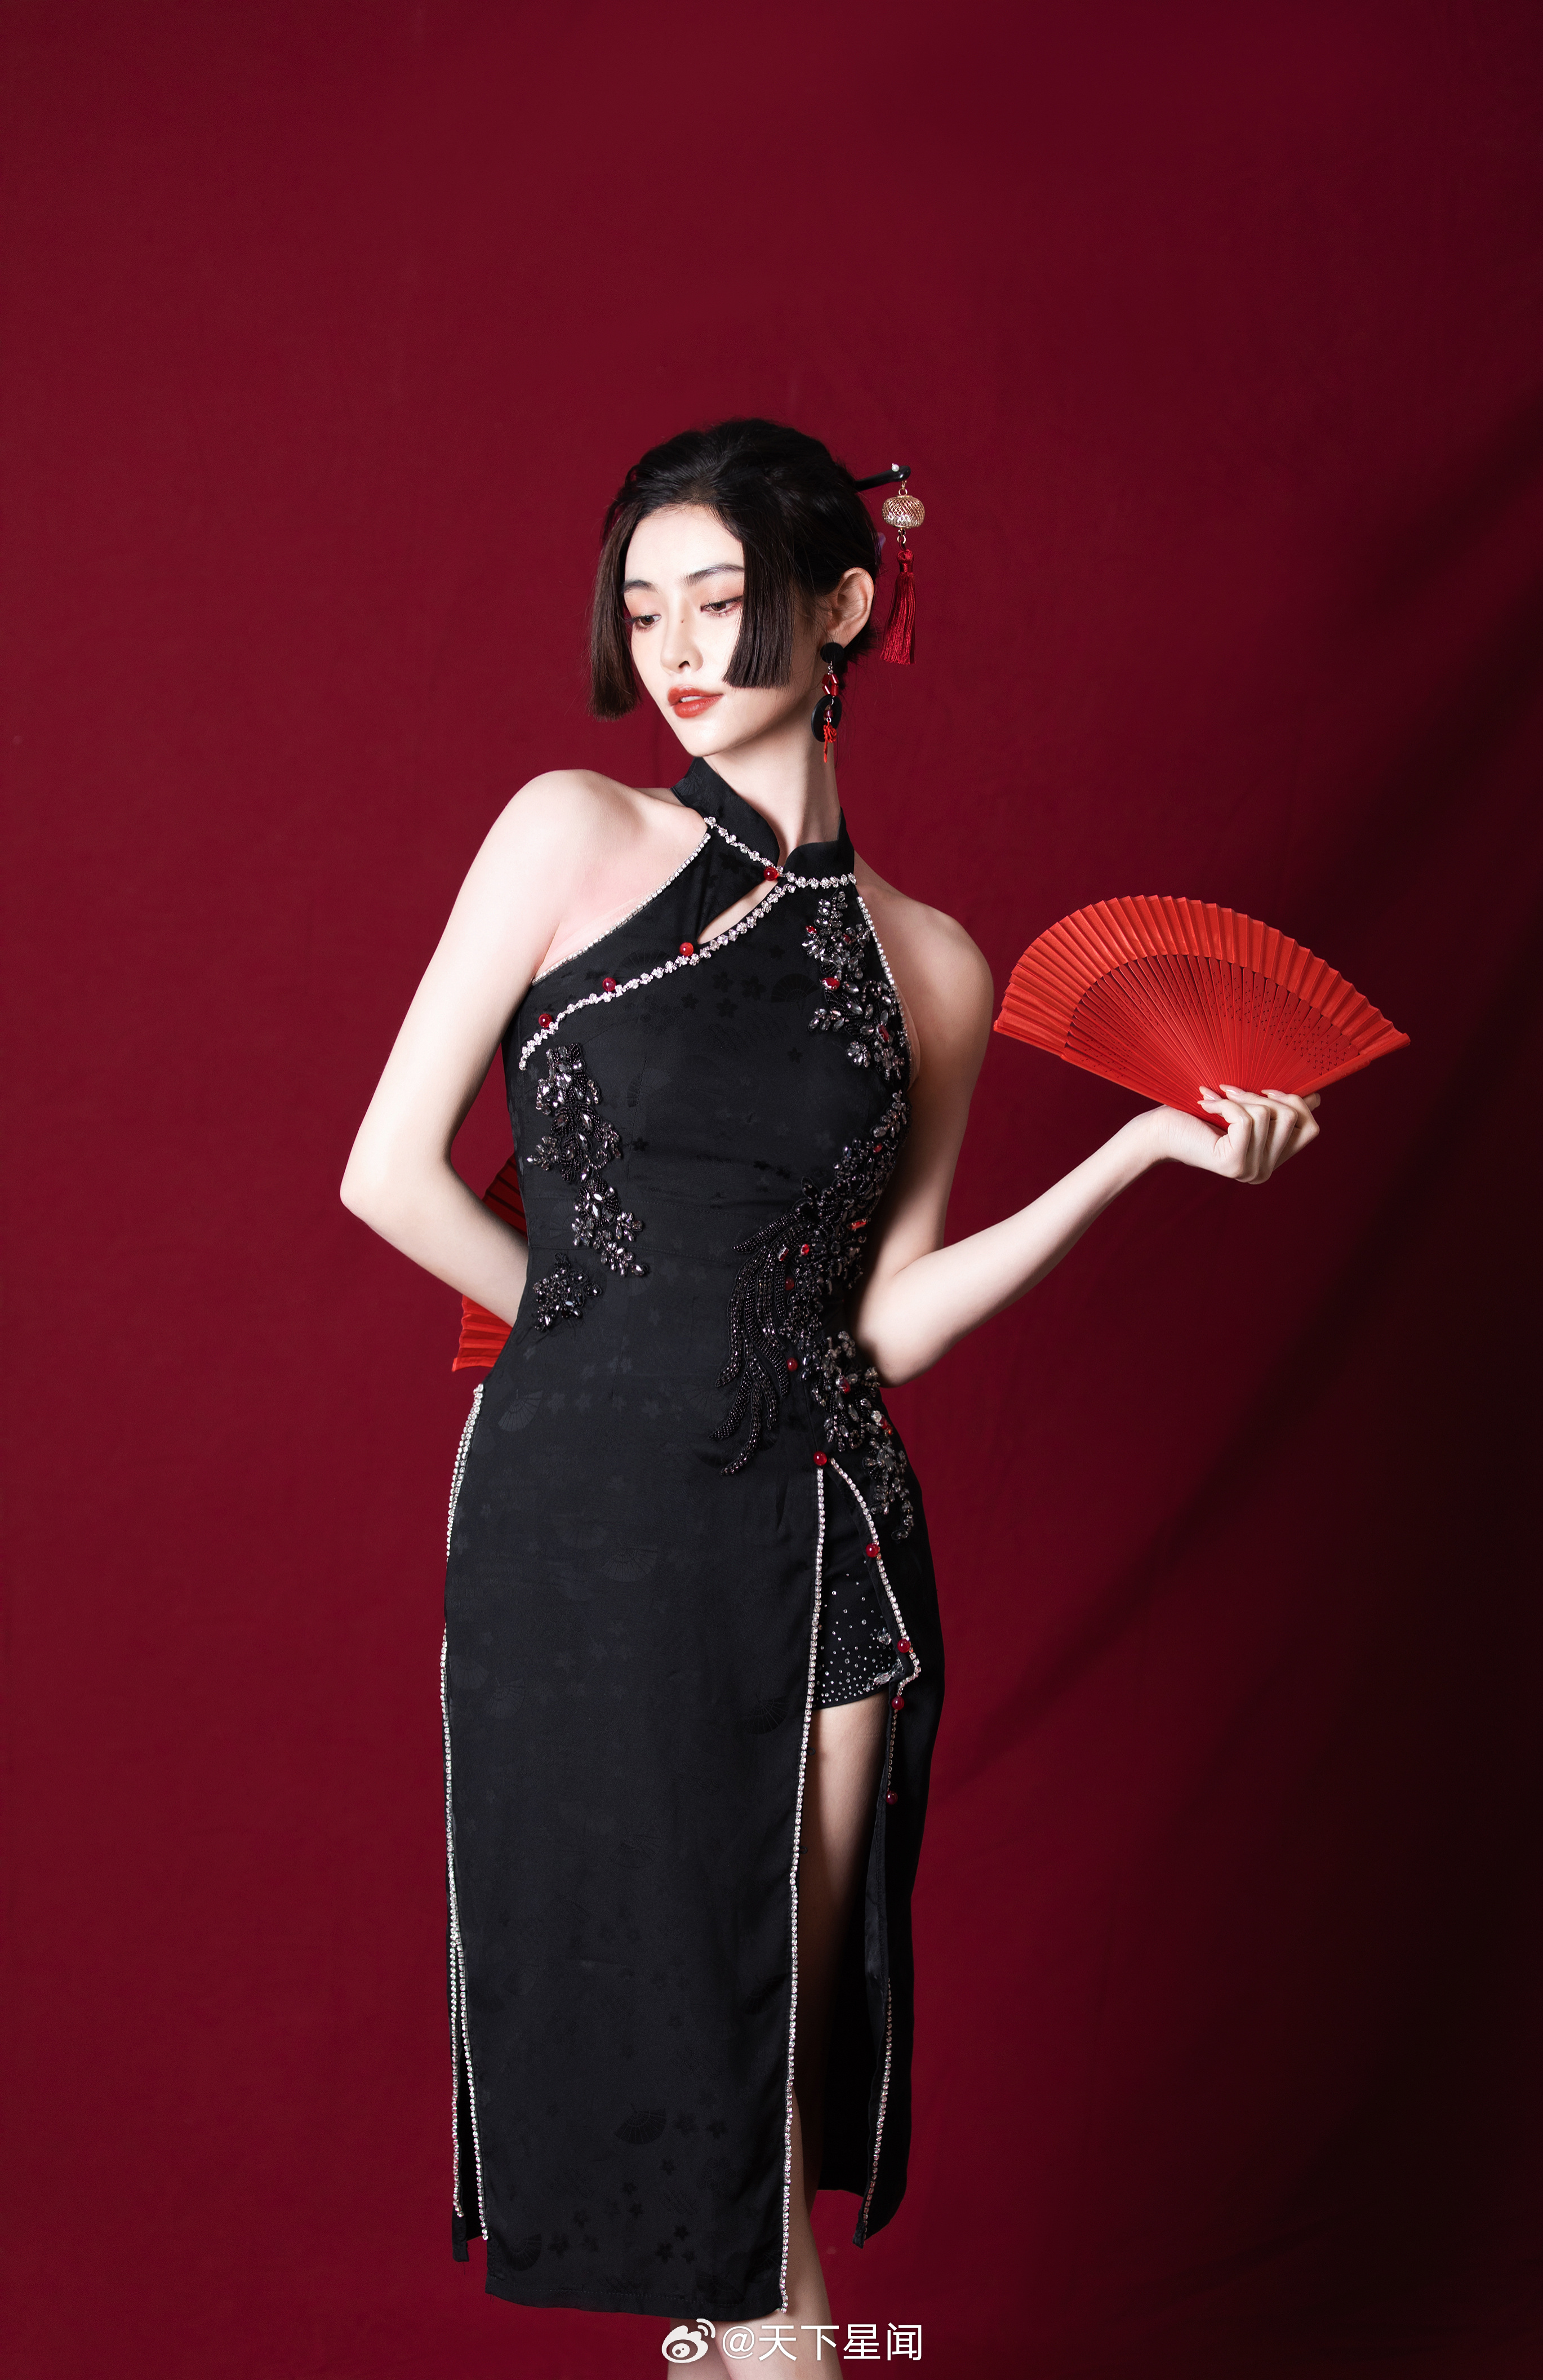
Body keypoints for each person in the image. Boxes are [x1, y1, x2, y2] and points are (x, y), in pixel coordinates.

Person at [340, 419, 1319, 2369]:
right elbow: (387, 1172)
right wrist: (621, 1354)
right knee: (662, 2033)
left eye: (724, 599)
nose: (680, 649)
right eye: (645, 610)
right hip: (579, 1518)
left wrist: (1137, 1155)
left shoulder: (932, 965)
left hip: (819, 1509)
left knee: (765, 2041)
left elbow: (900, 1318)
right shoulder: (569, 834)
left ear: (847, 606)